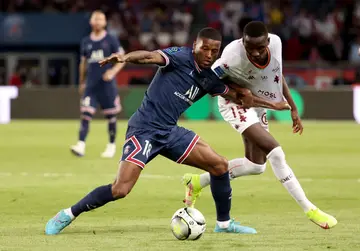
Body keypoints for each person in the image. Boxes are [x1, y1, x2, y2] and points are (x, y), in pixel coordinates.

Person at [45, 27, 289, 236]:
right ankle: (68, 213)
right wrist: (124, 58)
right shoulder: (180, 56)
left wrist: (274, 104)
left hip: (170, 132)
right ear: (196, 45)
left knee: (219, 166)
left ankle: (224, 224)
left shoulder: (210, 78)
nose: (209, 55)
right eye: (205, 48)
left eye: (215, 51)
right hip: (144, 130)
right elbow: (149, 57)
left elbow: (240, 97)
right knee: (120, 189)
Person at [182, 21, 337, 230]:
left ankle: (197, 182)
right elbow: (208, 80)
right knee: (277, 153)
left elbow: (277, 75)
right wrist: (240, 91)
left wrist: (292, 107)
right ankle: (310, 209)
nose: (255, 53)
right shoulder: (231, 56)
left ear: (268, 42)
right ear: (243, 43)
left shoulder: (277, 44)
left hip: (258, 103)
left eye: (260, 48)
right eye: (249, 48)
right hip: (235, 102)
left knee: (256, 166)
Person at [70, 10, 125, 158]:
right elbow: (83, 63)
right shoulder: (86, 41)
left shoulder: (111, 39)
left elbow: (122, 58)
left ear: (105, 22)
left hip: (107, 86)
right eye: (95, 19)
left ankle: (111, 146)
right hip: (91, 85)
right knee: (86, 114)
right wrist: (81, 81)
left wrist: (113, 72)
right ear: (91, 22)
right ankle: (80, 145)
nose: (98, 21)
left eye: (101, 19)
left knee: (111, 117)